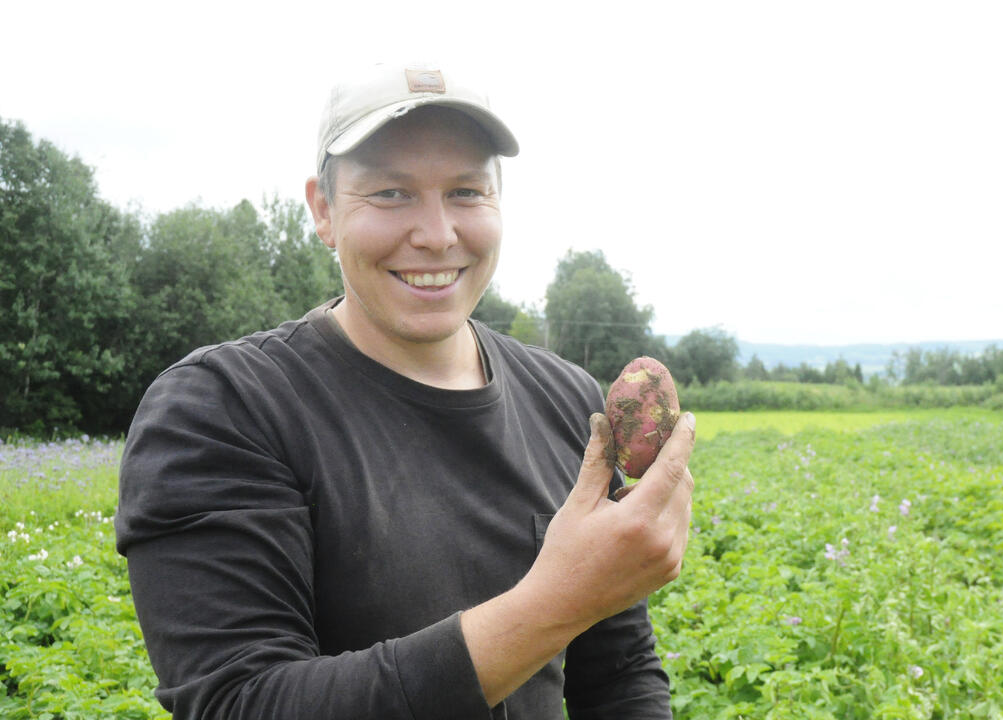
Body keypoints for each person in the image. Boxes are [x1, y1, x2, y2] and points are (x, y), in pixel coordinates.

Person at [115, 62, 696, 719]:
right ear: (324, 210)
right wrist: (557, 601)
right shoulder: (223, 410)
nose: (437, 233)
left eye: (467, 192)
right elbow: (242, 703)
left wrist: (589, 596)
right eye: (391, 193)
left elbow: (619, 678)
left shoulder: (566, 400)